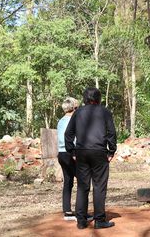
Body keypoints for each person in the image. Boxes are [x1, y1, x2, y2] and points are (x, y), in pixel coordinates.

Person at [65, 87, 117, 230]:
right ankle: (99, 220)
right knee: (99, 186)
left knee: (82, 186)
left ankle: (81, 221)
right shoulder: (105, 112)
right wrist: (111, 151)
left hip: (81, 152)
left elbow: (68, 134)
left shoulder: (78, 112)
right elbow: (111, 132)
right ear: (99, 98)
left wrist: (72, 151)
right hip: (99, 152)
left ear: (84, 99)